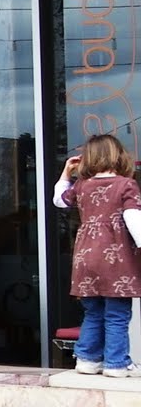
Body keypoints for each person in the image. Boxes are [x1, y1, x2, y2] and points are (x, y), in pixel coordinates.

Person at [55, 134, 141, 377]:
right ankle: (116, 363)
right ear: (118, 155)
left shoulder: (81, 185)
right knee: (117, 314)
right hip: (116, 260)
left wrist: (66, 173)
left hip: (86, 259)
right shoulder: (126, 184)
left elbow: (59, 201)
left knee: (93, 311)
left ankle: (87, 359)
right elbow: (133, 219)